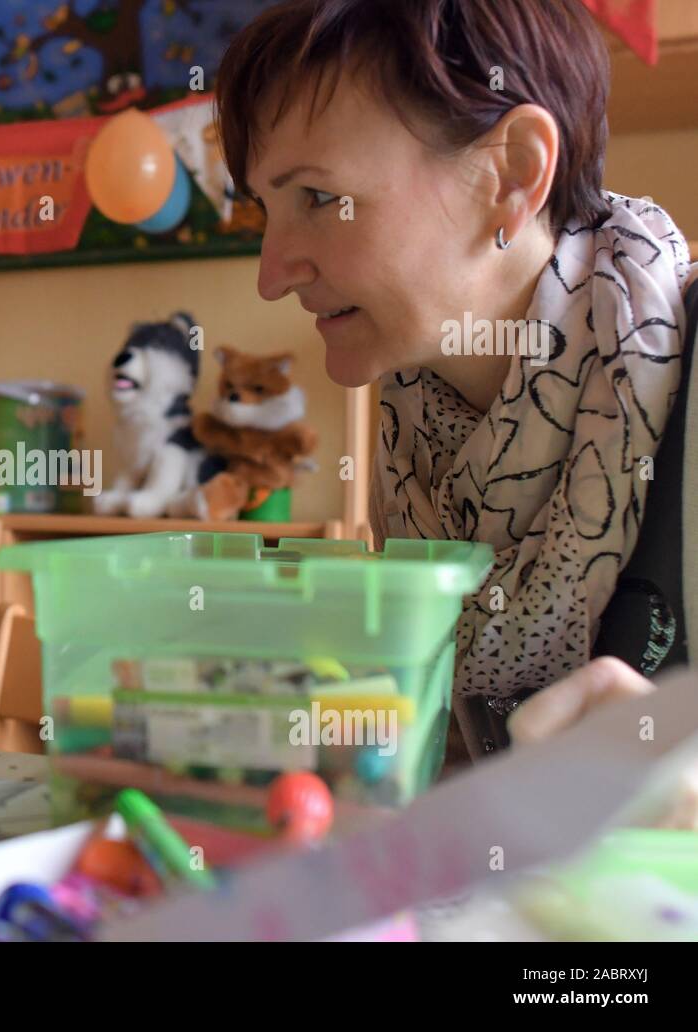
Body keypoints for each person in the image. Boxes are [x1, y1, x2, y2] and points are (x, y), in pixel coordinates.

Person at [214, 0, 695, 760]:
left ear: (512, 172)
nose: (272, 276)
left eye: (317, 198)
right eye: (265, 210)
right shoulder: (416, 436)